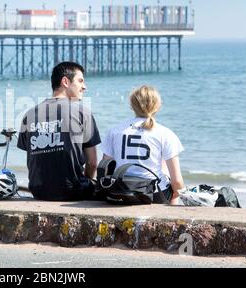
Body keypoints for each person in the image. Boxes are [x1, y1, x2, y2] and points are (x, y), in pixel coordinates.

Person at [17, 62, 101, 201]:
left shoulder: (29, 114)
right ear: (65, 81)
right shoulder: (82, 112)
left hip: (38, 191)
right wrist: (85, 183)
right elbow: (92, 163)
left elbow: (36, 159)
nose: (84, 87)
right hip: (74, 191)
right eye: (80, 81)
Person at [101, 85, 185, 205]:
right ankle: (173, 219)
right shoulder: (165, 133)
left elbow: (106, 165)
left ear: (131, 106)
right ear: (158, 106)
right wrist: (176, 193)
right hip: (152, 194)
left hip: (121, 191)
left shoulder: (115, 130)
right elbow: (177, 182)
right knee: (172, 184)